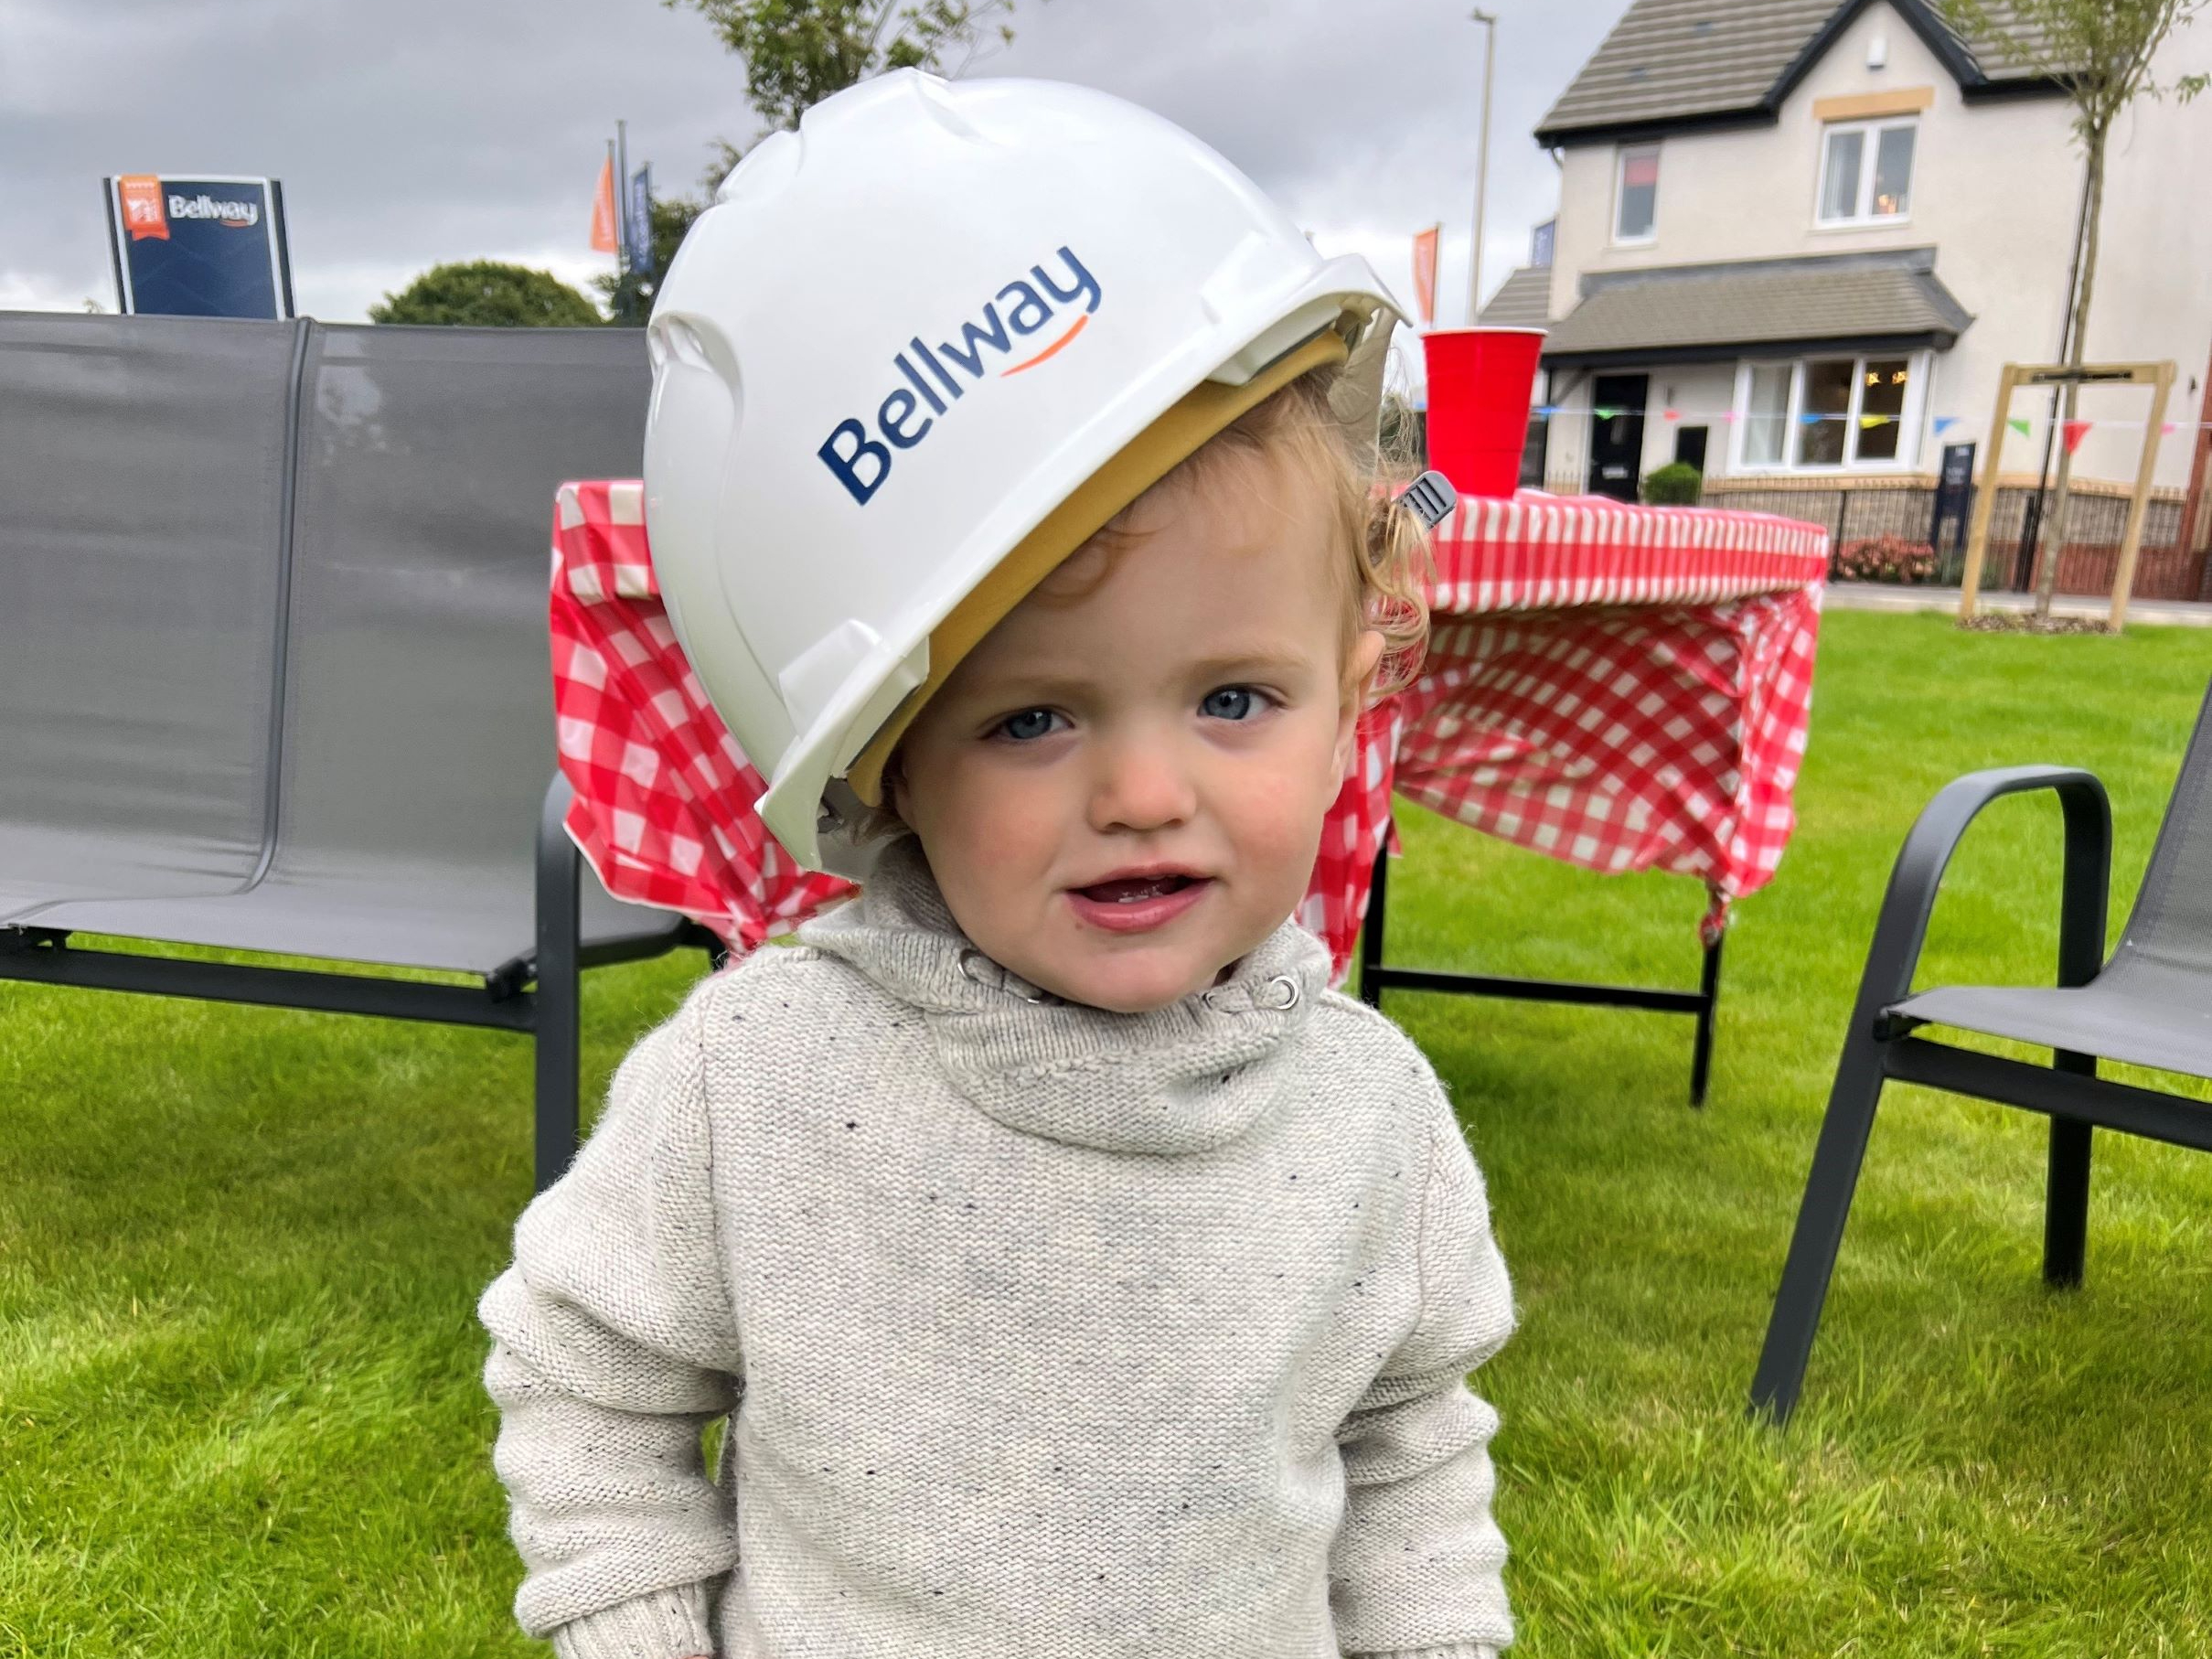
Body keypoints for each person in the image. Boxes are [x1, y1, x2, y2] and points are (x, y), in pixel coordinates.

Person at [477, 69, 1516, 1659]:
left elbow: (1412, 1455)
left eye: (1235, 698)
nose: (1147, 790)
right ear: (888, 757)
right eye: (1033, 719)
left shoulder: (1370, 1118)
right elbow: (586, 1376)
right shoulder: (752, 1083)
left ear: (1353, 687)